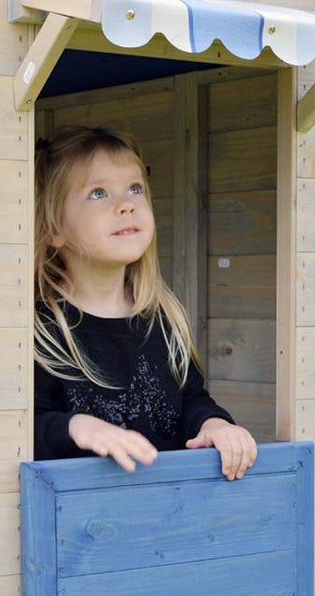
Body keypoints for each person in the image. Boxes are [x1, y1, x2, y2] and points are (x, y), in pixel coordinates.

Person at [34, 125, 257, 479]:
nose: (126, 205)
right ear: (53, 229)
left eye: (135, 189)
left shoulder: (162, 317)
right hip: (77, 522)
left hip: (165, 513)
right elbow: (22, 428)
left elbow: (191, 403)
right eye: (98, 193)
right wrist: (77, 427)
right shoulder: (41, 328)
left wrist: (215, 425)